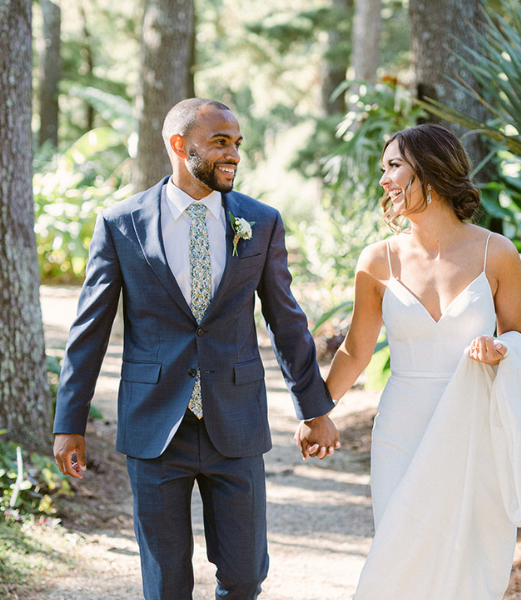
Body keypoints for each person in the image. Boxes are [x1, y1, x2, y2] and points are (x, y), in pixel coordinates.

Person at [52, 97, 340, 600]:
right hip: (154, 423)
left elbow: (287, 322)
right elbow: (89, 330)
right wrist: (68, 422)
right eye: (220, 142)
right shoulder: (122, 223)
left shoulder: (261, 221)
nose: (234, 155)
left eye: (237, 144)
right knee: (166, 584)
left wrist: (314, 410)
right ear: (179, 145)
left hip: (236, 422)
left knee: (245, 576)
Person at [313, 123, 521, 598]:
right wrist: (316, 412)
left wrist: (500, 349)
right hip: (401, 431)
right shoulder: (378, 260)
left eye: (394, 166)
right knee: (400, 559)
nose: (383, 179)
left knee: (470, 562)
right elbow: (355, 351)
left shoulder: (496, 253)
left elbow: (518, 334)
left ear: (430, 170)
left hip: (475, 429)